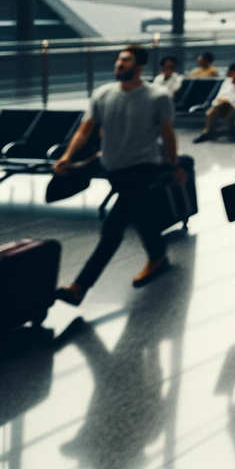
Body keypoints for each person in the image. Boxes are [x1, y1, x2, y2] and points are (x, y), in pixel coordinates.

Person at [53, 45, 183, 305]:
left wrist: (174, 165)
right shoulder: (103, 94)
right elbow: (85, 129)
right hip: (112, 168)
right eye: (118, 60)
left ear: (139, 66)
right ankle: (158, 257)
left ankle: (80, 287)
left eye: (125, 60)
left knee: (112, 230)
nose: (119, 64)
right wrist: (68, 155)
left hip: (142, 170)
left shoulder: (158, 96)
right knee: (144, 220)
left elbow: (168, 134)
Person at [194, 62, 235, 143]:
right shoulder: (227, 81)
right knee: (210, 113)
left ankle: (230, 132)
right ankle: (206, 133)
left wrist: (228, 99)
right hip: (223, 103)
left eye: (233, 73)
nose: (231, 75)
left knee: (230, 113)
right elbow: (220, 94)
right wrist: (219, 101)